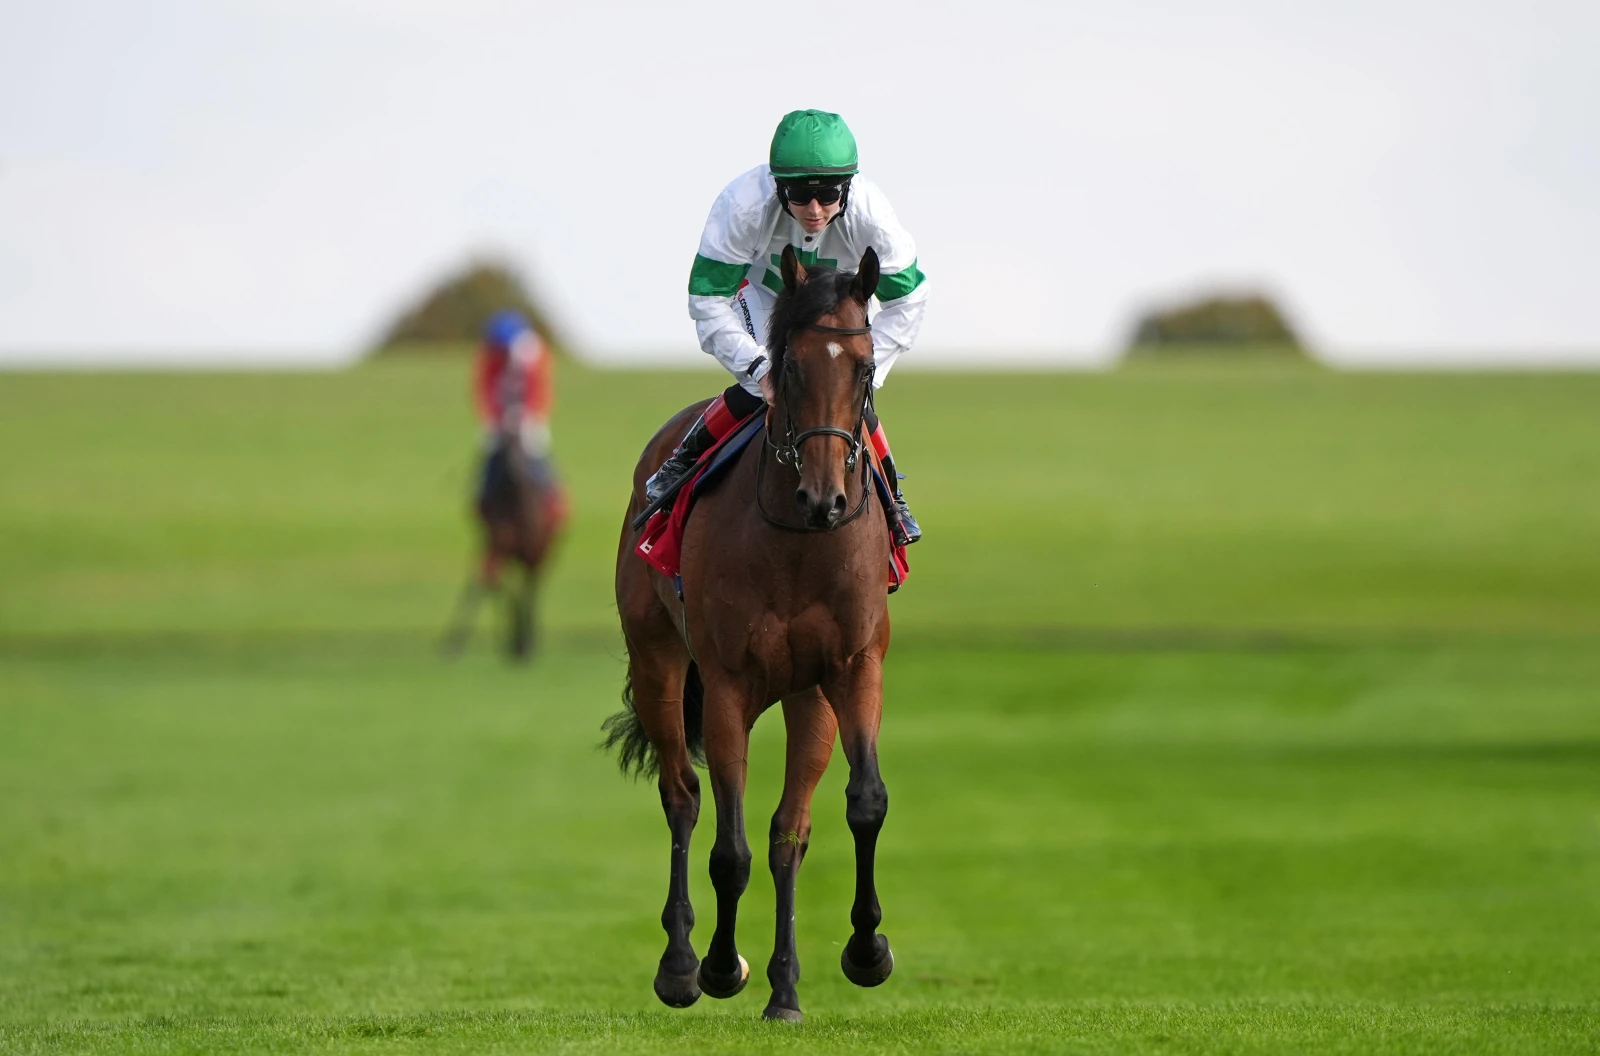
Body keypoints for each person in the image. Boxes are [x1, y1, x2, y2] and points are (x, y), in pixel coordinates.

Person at [644, 109, 927, 545]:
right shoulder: (742, 205)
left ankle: (892, 493)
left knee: (839, 389)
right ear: (777, 186)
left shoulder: (872, 216)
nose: (814, 209)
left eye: (829, 193)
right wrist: (760, 369)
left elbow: (908, 300)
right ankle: (682, 461)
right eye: (798, 194)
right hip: (758, 294)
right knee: (769, 386)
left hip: (836, 307)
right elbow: (706, 298)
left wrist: (862, 367)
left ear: (848, 186)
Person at [473, 309, 558, 513]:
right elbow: (484, 387)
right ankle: (482, 499)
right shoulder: (490, 356)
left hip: (530, 416)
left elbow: (540, 388)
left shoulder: (534, 353)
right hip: (501, 417)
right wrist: (496, 417)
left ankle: (552, 500)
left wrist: (527, 415)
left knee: (535, 448)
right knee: (489, 448)